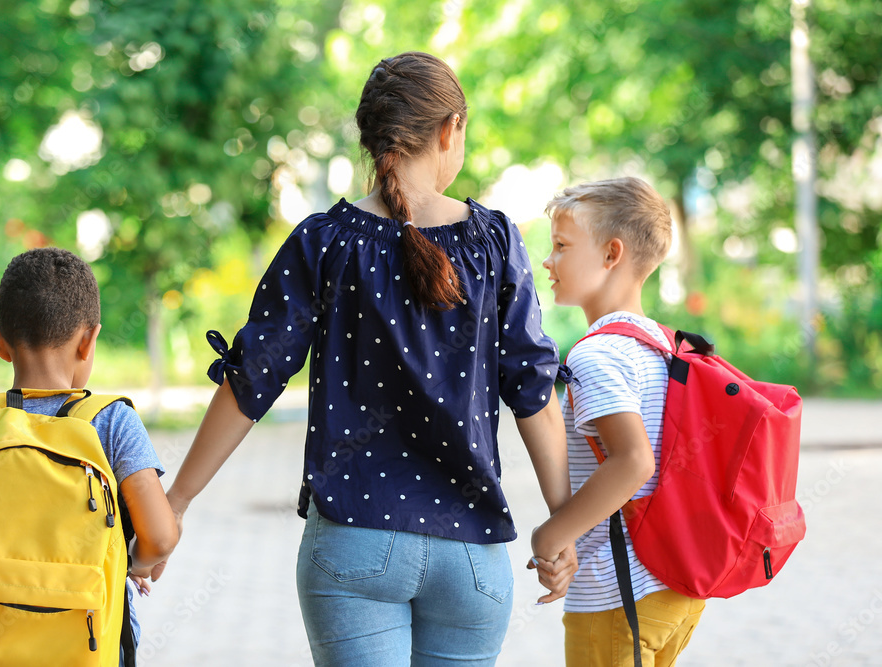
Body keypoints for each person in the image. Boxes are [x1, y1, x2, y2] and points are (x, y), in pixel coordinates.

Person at [156, 51, 576, 665]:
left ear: (371, 137)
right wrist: (561, 526)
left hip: (353, 540)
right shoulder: (494, 240)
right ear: (448, 130)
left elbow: (252, 382)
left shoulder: (323, 242)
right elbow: (532, 393)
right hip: (471, 555)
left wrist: (178, 501)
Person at [0, 247, 179, 666]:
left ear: (0, 344)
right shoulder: (112, 421)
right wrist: (132, 564)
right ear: (89, 340)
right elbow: (161, 537)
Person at [531, 177, 706, 666]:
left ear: (612, 254)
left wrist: (553, 535)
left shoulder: (597, 355)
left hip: (616, 589)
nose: (548, 261)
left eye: (562, 246)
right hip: (674, 587)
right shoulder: (665, 348)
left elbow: (633, 463)